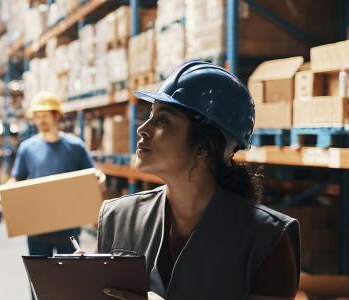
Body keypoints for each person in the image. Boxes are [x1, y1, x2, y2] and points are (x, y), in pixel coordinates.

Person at [88, 61, 300, 300]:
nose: (142, 129)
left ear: (205, 145)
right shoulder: (118, 218)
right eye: (150, 116)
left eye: (162, 120)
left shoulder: (266, 239)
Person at [7, 91, 104, 257]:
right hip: (37, 225)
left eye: (46, 115)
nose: (41, 120)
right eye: (37, 116)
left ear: (57, 116)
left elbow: (92, 176)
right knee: (39, 278)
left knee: (68, 277)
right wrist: (5, 192)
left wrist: (99, 178)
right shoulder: (27, 148)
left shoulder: (75, 146)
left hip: (68, 226)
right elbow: (16, 179)